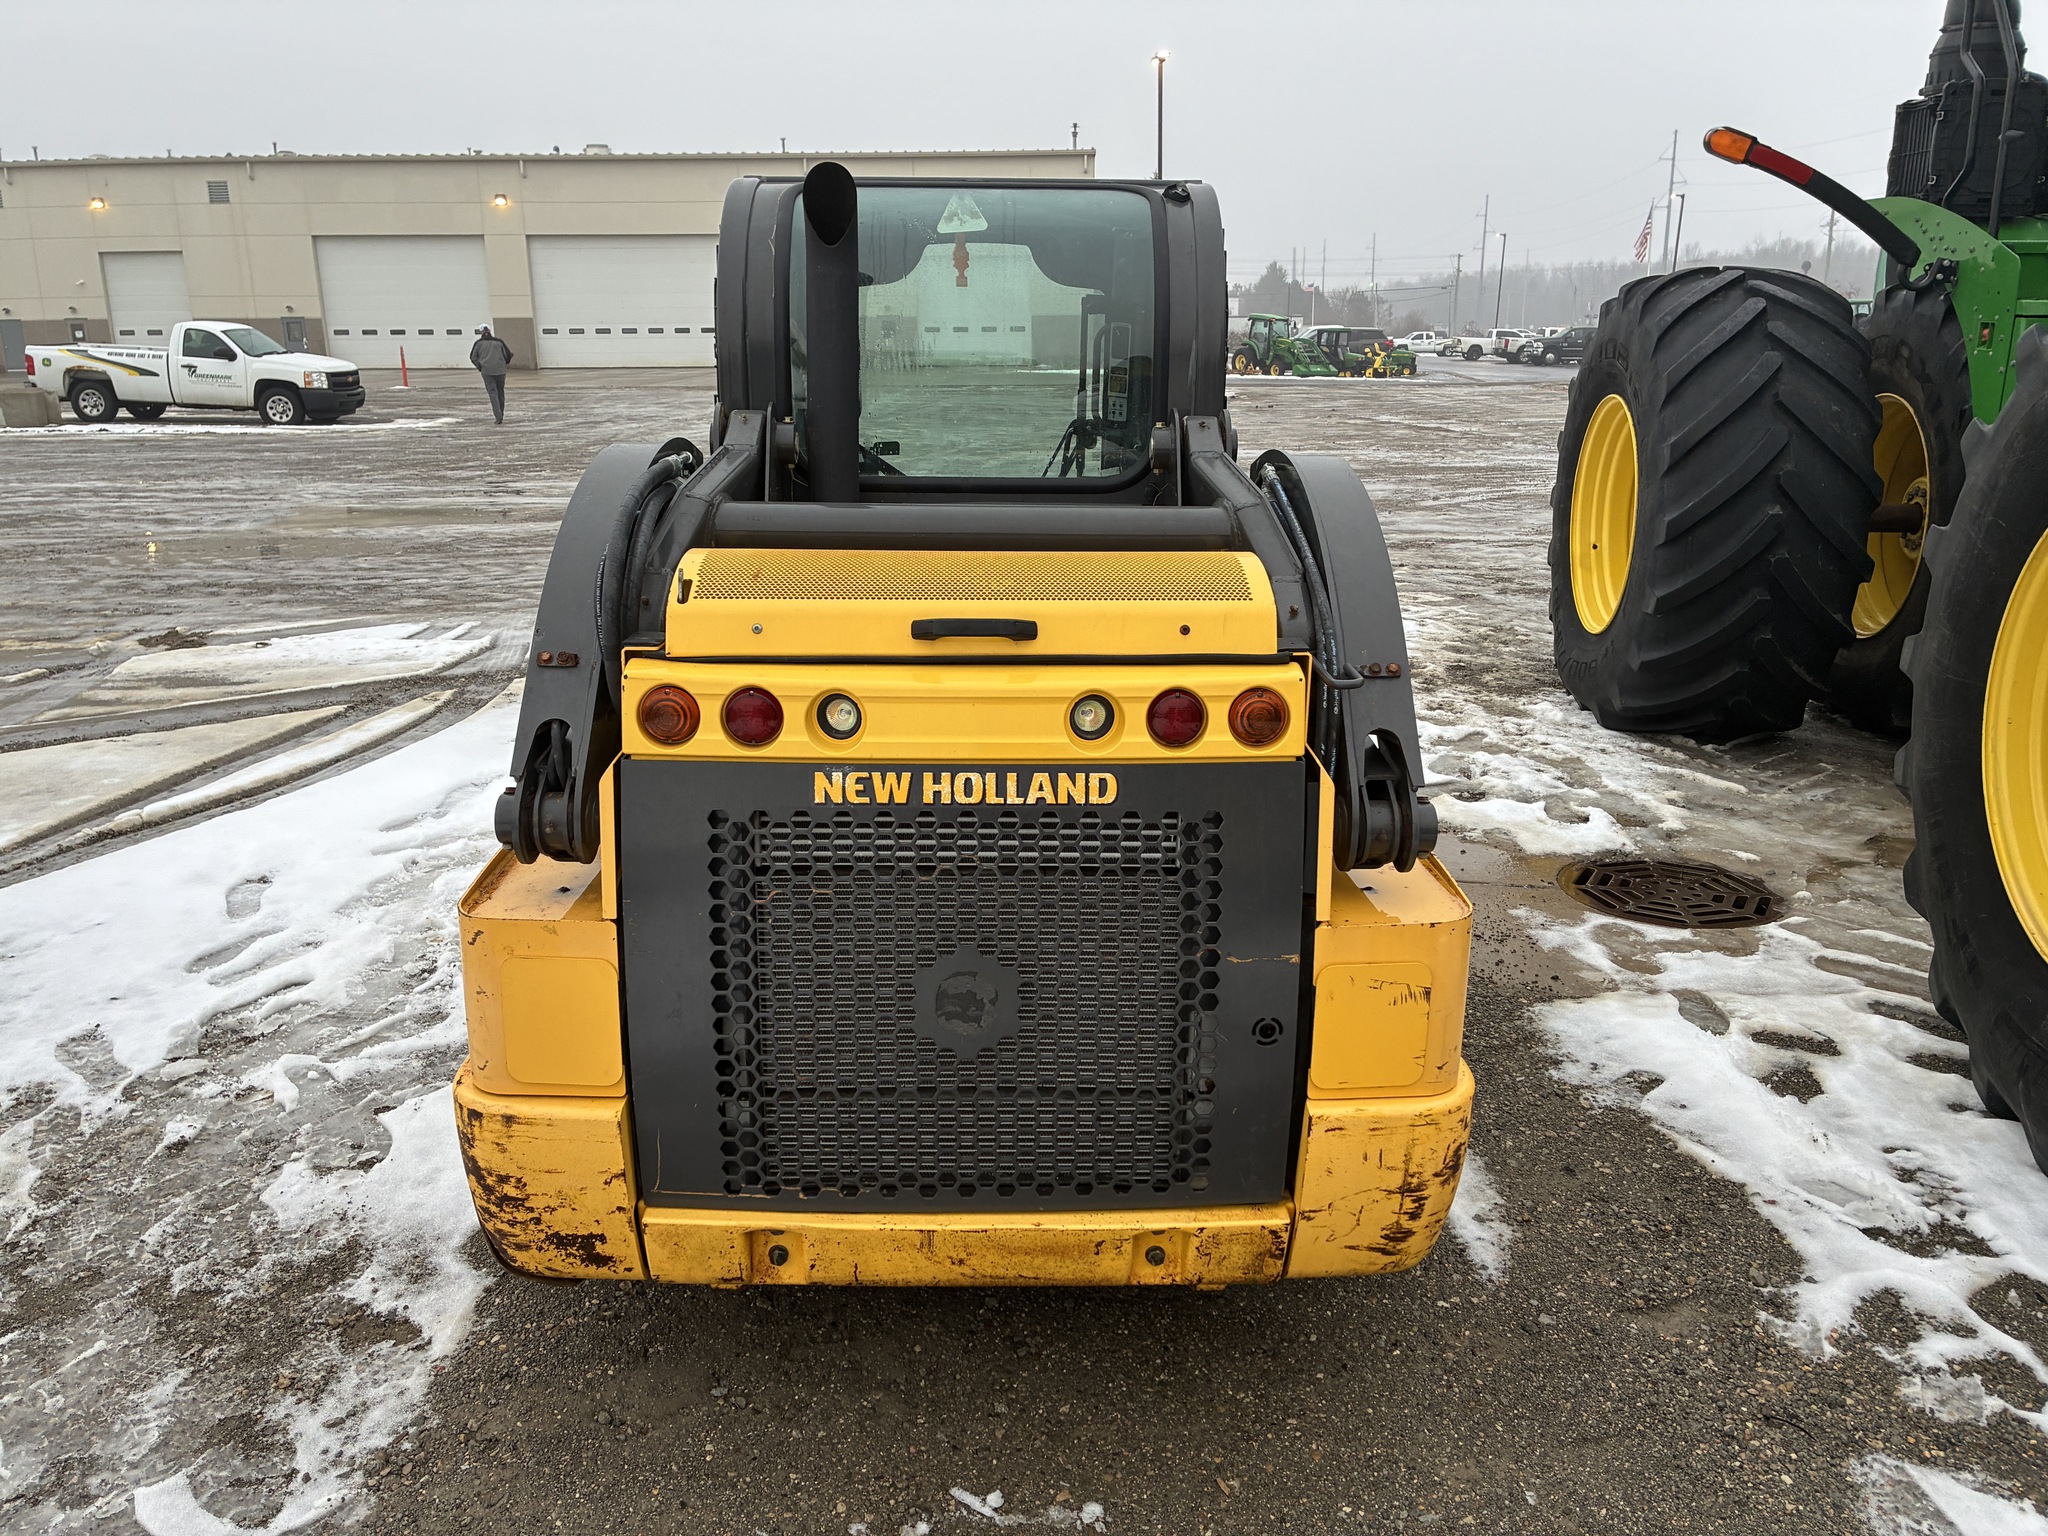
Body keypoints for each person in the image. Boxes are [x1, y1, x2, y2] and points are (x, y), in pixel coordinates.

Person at [470, 325, 514, 423]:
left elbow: (473, 357)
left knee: (493, 393)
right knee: (500, 392)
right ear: (489, 331)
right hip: (500, 371)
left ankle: (498, 417)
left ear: (481, 332)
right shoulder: (499, 342)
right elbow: (507, 355)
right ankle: (501, 413)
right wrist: (504, 363)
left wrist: (480, 367)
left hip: (487, 372)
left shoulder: (478, 343)